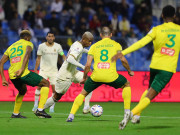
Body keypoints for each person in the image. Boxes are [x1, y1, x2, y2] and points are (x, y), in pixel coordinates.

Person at [116, 5, 180, 130]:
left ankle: (137, 116)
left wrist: (123, 52)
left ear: (162, 15)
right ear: (174, 16)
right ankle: (131, 114)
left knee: (149, 89)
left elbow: (141, 42)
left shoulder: (156, 29)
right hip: (167, 69)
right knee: (150, 96)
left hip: (155, 65)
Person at [66, 27, 134, 122]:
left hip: (96, 76)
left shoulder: (94, 46)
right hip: (111, 76)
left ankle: (71, 116)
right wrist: (129, 71)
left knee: (83, 93)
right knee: (126, 84)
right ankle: (127, 112)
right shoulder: (116, 45)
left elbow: (88, 65)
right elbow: (123, 60)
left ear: (101, 35)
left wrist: (85, 78)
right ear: (111, 35)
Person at [0, 30, 51, 118]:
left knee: (22, 91)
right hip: (23, 73)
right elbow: (27, 54)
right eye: (30, 38)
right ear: (27, 38)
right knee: (46, 83)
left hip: (12, 75)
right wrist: (22, 69)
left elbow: (1, 62)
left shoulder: (11, 46)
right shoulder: (28, 43)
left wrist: (3, 79)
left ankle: (15, 114)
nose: (30, 40)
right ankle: (40, 110)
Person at [43, 31, 94, 114]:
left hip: (72, 72)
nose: (90, 43)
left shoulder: (77, 44)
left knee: (90, 82)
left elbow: (81, 50)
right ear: (84, 39)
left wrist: (90, 52)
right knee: (56, 96)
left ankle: (86, 107)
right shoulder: (78, 46)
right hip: (65, 74)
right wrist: (83, 66)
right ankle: (40, 109)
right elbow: (70, 59)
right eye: (89, 41)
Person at [32, 31, 66, 113]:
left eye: (52, 36)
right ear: (46, 37)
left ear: (54, 38)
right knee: (39, 87)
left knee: (54, 90)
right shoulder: (41, 46)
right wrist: (36, 69)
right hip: (43, 70)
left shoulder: (58, 47)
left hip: (54, 72)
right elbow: (38, 58)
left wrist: (66, 64)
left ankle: (51, 107)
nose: (50, 38)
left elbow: (62, 55)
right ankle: (35, 105)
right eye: (49, 36)